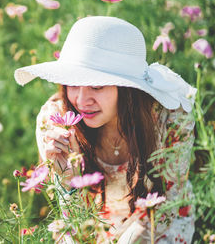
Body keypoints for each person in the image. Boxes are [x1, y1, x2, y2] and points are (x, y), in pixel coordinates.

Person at [14, 16, 196, 243]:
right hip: (89, 223)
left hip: (157, 222)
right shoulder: (55, 121)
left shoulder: (171, 118)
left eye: (97, 86)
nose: (81, 100)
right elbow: (73, 221)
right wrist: (67, 180)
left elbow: (169, 205)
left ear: (128, 90)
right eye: (72, 83)